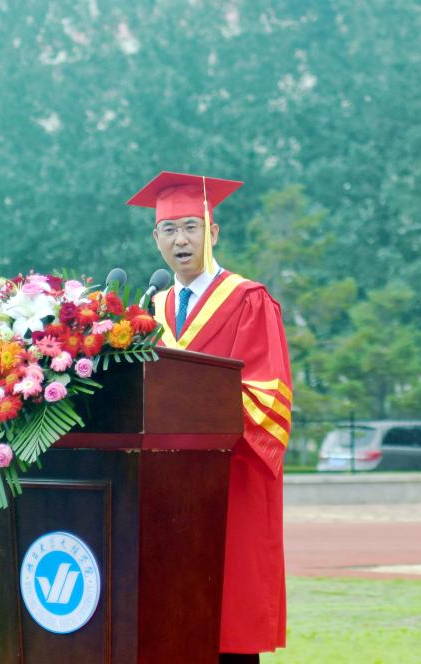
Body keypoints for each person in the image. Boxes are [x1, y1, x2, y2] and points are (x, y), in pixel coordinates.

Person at [128, 171, 292, 663]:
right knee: (169, 619)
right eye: (169, 230)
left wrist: (193, 417)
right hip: (162, 489)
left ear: (212, 233)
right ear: (156, 239)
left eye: (191, 227)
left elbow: (267, 394)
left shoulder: (248, 300)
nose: (180, 240)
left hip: (229, 480)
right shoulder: (148, 310)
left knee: (226, 614)